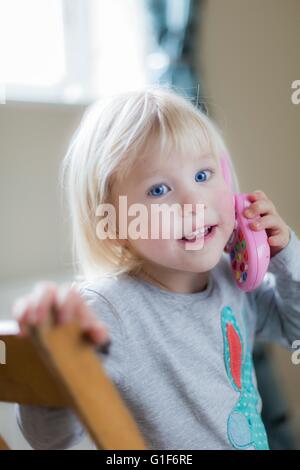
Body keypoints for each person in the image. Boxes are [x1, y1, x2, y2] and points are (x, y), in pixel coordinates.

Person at [13, 86, 300, 450]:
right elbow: (52, 439)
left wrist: (285, 253)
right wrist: (54, 354)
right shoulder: (106, 310)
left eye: (203, 175)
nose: (194, 201)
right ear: (113, 223)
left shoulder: (231, 278)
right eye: (159, 189)